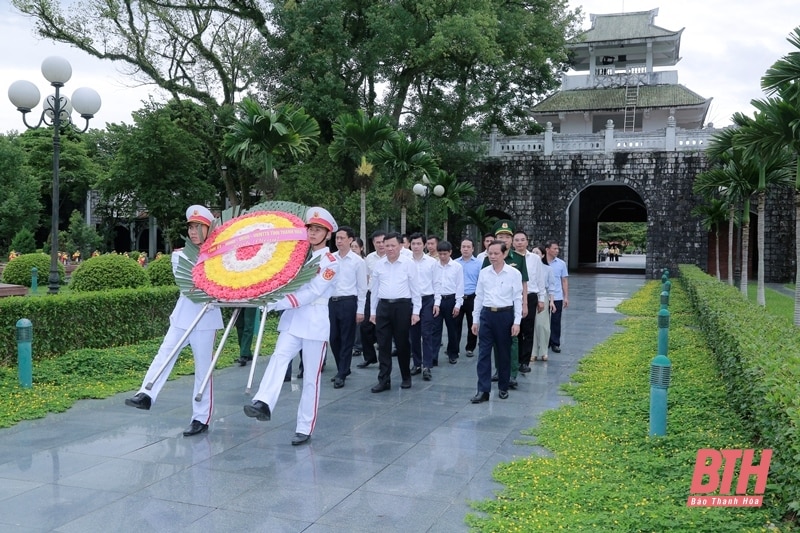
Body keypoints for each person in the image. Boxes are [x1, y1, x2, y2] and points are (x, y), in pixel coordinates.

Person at [125, 205, 223, 437]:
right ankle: (146, 393)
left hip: (207, 318)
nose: (193, 231)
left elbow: (220, 287)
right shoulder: (180, 255)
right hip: (184, 315)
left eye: (199, 227)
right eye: (190, 227)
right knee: (164, 354)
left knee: (203, 369)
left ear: (209, 229)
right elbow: (193, 286)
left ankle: (201, 418)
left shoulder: (220, 255)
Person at [244, 207, 339, 446]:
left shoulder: (330, 261)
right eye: (311, 229)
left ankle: (304, 427)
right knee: (278, 358)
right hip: (293, 320)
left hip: (315, 322)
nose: (313, 233)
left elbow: (312, 291)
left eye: (319, 230)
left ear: (328, 234)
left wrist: (277, 304)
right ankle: (263, 402)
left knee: (310, 378)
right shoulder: (298, 257)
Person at [470, 240, 522, 403]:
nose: (492, 256)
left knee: (504, 353)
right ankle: (483, 390)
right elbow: (479, 296)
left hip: (505, 315)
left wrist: (517, 321)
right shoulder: (484, 272)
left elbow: (518, 298)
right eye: (489, 253)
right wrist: (475, 320)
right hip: (487, 315)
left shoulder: (514, 273)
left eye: (496, 253)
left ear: (504, 254)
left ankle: (503, 386)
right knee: (483, 354)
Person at [369, 232, 421, 392]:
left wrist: (416, 311)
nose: (389, 249)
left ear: (401, 246)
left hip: (402, 307)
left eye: (393, 245)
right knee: (383, 344)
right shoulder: (379, 264)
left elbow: (416, 289)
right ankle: (384, 380)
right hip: (383, 307)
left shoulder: (408, 263)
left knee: (402, 343)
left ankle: (406, 376)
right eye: (387, 245)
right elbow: (374, 290)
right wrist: (372, 312)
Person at [483, 220, 528, 389]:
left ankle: (512, 373)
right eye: (500, 236)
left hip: (511, 307)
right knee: (495, 341)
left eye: (507, 237)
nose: (504, 239)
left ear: (511, 239)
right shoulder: (489, 258)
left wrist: (524, 305)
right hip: (493, 307)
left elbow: (524, 283)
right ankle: (499, 370)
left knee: (513, 340)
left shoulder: (518, 258)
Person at [328, 225, 367, 388]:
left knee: (346, 339)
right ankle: (342, 368)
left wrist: (360, 309)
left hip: (348, 302)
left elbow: (362, 287)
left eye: (342, 238)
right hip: (332, 302)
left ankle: (342, 372)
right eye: (337, 238)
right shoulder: (330, 258)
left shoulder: (358, 261)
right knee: (334, 339)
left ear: (350, 240)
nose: (339, 241)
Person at [512, 231, 545, 373]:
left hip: (530, 296)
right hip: (513, 297)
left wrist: (541, 299)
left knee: (528, 330)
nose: (519, 242)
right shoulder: (509, 257)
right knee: (514, 330)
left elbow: (539, 279)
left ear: (527, 242)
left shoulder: (535, 259)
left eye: (522, 240)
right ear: (513, 243)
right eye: (517, 240)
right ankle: (515, 359)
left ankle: (525, 362)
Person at [408, 232, 438, 377]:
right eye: (413, 244)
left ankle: (427, 365)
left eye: (419, 243)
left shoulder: (432, 262)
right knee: (413, 334)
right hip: (411, 301)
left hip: (427, 300)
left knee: (426, 333)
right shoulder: (406, 261)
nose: (416, 246)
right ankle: (416, 364)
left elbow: (437, 283)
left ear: (424, 245)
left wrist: (436, 303)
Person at [356, 230, 386, 369]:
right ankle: (369, 357)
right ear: (373, 243)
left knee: (383, 329)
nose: (380, 245)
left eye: (382, 242)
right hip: (370, 294)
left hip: (385, 297)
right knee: (364, 327)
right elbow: (366, 277)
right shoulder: (369, 258)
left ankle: (385, 359)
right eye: (377, 242)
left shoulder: (392, 257)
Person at [432, 240, 463, 367]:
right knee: (435, 330)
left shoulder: (457, 267)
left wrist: (458, 304)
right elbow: (434, 284)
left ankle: (452, 354)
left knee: (452, 329)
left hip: (451, 299)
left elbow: (460, 286)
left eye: (445, 254)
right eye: (440, 254)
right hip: (437, 300)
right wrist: (436, 302)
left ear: (450, 253)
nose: (443, 257)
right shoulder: (434, 266)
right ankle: (433, 356)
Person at [455, 238, 481, 357]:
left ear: (473, 249)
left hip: (472, 297)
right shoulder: (455, 263)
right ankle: (455, 348)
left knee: (473, 323)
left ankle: (470, 348)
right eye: (463, 246)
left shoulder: (479, 264)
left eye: (468, 247)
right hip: (458, 298)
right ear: (460, 248)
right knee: (455, 324)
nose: (465, 249)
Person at [532, 245, 556, 361]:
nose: (535, 254)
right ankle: (533, 352)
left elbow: (552, 286)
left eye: (537, 253)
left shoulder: (548, 269)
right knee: (532, 325)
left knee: (542, 325)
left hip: (543, 297)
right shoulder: (528, 267)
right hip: (531, 296)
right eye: (533, 252)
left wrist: (552, 301)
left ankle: (544, 351)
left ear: (542, 255)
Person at [546, 240, 569, 353]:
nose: (557, 251)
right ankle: (544, 342)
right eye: (554, 248)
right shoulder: (541, 262)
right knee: (543, 321)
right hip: (544, 297)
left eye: (557, 249)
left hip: (557, 296)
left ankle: (555, 343)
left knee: (556, 321)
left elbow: (564, 281)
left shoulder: (561, 264)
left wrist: (566, 297)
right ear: (547, 249)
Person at [350, 237, 366, 359]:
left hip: (361, 295)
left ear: (361, 248)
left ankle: (358, 345)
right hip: (349, 296)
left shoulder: (363, 261)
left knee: (358, 323)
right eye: (352, 246)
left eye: (356, 247)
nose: (354, 249)